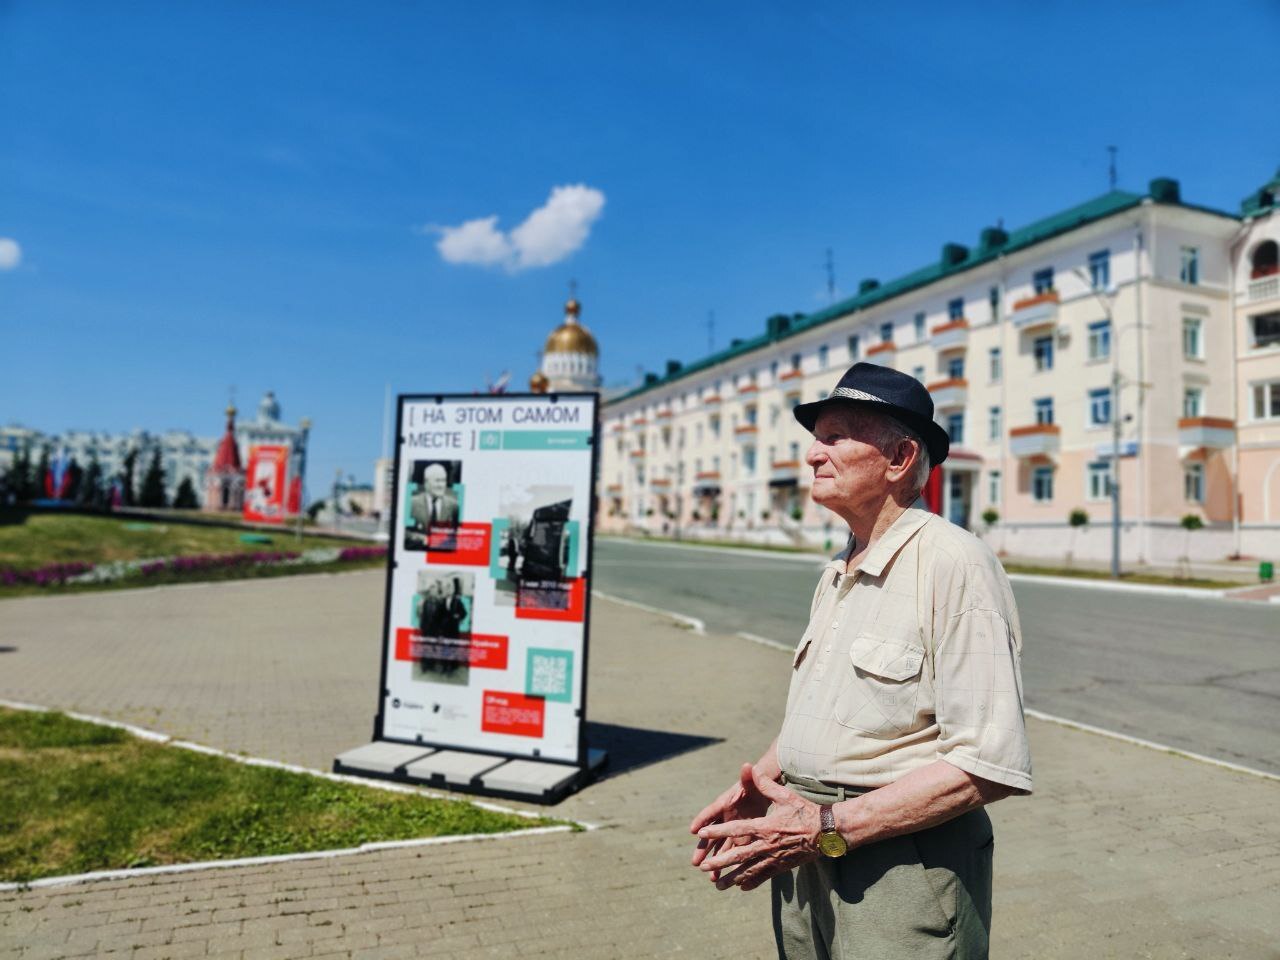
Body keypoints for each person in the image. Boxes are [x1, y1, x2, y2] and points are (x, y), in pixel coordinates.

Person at [690, 362, 1032, 960]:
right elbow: (838, 704)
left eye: (835, 436)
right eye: (815, 439)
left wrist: (826, 829)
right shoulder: (838, 569)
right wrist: (769, 779)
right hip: (810, 849)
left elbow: (987, 763)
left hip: (902, 866)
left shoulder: (953, 563)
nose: (812, 456)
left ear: (899, 458)